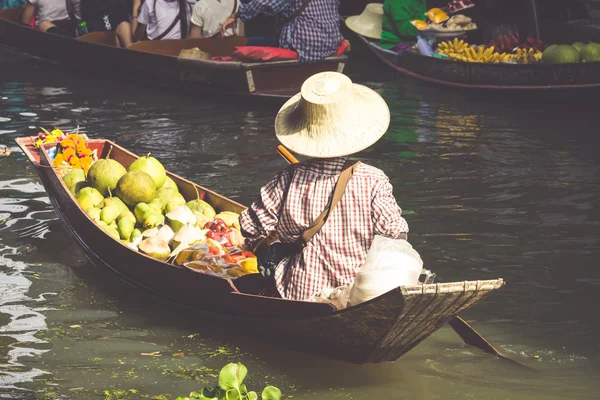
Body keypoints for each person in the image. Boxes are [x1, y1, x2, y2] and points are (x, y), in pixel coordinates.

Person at [240, 72, 409, 301]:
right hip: (355, 293)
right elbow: (395, 233)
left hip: (299, 291)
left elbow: (249, 226)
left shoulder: (288, 178)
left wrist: (278, 240)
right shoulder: (374, 180)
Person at [221, 0, 344, 63]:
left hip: (305, 45)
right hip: (330, 44)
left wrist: (237, 14)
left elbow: (265, 4)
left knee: (252, 41)